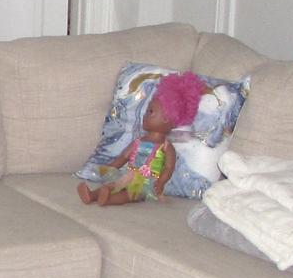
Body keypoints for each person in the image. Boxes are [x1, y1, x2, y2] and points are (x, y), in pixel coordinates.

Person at [78, 71, 207, 206]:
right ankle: (92, 195)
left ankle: (108, 200)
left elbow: (169, 167)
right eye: (146, 111)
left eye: (150, 112)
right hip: (128, 175)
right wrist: (112, 167)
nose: (145, 116)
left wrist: (161, 182)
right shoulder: (139, 141)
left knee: (129, 195)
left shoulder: (166, 147)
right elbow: (124, 156)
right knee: (114, 184)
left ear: (166, 119)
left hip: (147, 183)